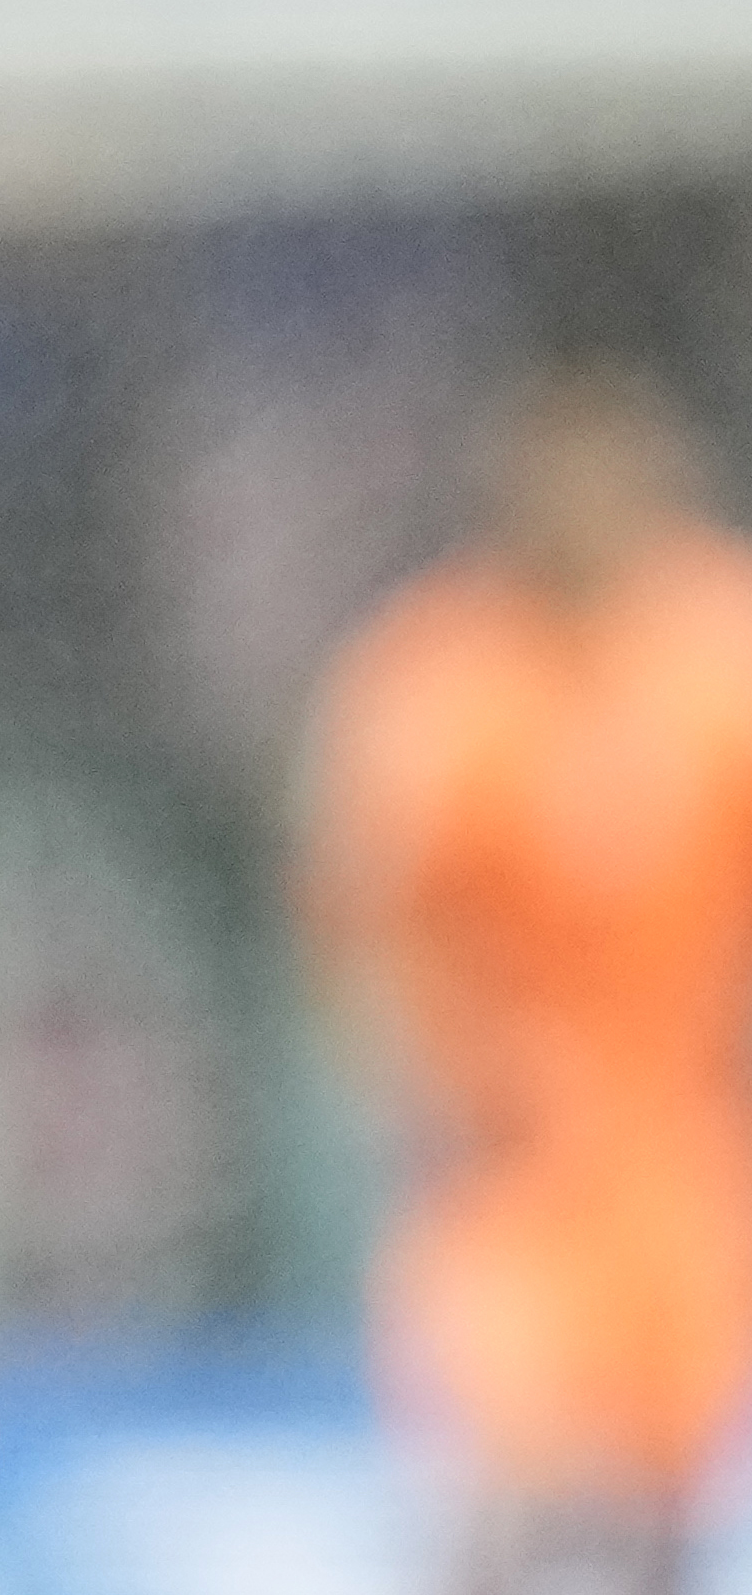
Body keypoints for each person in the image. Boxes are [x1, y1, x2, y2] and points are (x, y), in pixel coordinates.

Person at [305, 363, 752, 1595]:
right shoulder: (435, 679)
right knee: (505, 1480)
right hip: (513, 1164)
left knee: (670, 1495)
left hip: (682, 1147)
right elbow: (364, 926)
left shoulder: (718, 645)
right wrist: (427, 1090)